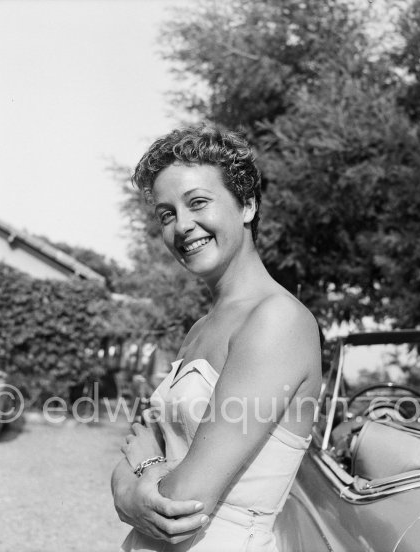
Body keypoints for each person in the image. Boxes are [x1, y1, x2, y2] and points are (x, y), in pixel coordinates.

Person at [111, 125, 322, 551]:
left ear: (247, 205)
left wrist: (139, 477)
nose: (183, 226)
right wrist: (126, 492)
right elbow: (134, 442)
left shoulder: (277, 320)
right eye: (167, 214)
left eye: (198, 203)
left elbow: (183, 501)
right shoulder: (201, 329)